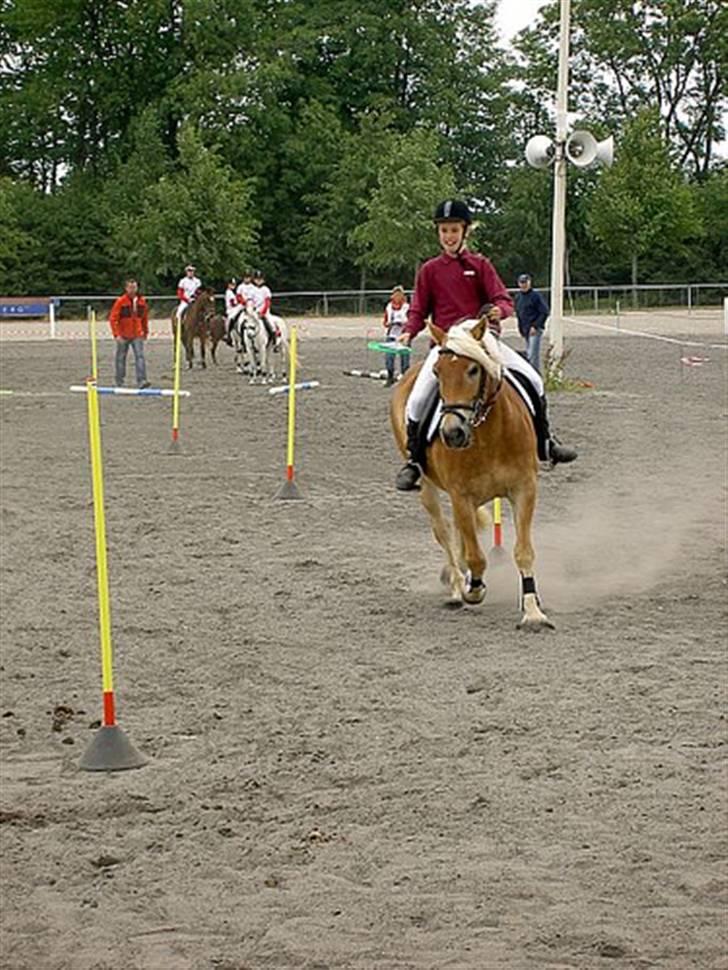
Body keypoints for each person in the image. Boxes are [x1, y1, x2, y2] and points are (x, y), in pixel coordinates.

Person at [395, 199, 577, 492]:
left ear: (464, 231)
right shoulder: (429, 270)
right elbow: (418, 309)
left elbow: (503, 299)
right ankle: (415, 460)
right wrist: (408, 331)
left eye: (454, 229)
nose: (449, 236)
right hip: (448, 347)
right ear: (438, 233)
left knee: (533, 379)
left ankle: (545, 442)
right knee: (416, 399)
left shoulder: (480, 265)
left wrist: (499, 312)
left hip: (481, 343)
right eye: (444, 230)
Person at [109, 278, 150, 389]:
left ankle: (142, 380)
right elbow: (113, 318)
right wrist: (116, 334)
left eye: (134, 287)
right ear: (126, 288)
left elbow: (144, 318)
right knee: (121, 358)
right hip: (123, 335)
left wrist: (145, 331)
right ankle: (119, 381)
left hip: (137, 334)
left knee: (140, 357)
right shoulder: (120, 301)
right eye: (130, 287)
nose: (133, 289)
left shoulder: (142, 301)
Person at [515, 273, 549, 374]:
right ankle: (532, 374)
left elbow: (544, 311)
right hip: (525, 329)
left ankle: (535, 376)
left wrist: (535, 326)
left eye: (525, 282)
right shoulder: (518, 297)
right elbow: (519, 314)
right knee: (529, 353)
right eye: (521, 282)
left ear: (529, 282)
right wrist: (520, 328)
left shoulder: (536, 296)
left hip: (535, 329)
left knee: (532, 356)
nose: (523, 285)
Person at [382, 285, 411, 387]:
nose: (397, 296)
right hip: (391, 335)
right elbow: (385, 322)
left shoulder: (407, 307)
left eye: (399, 294)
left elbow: (411, 321)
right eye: (395, 294)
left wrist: (403, 324)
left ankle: (405, 380)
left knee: (405, 360)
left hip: (403, 336)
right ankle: (390, 377)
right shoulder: (389, 307)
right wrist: (389, 323)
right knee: (389, 358)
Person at [251, 269, 279, 346]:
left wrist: (263, 312)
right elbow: (250, 301)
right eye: (257, 279)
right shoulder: (252, 290)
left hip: (264, 311)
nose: (258, 281)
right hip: (255, 311)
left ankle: (274, 338)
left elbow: (267, 302)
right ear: (254, 280)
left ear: (263, 280)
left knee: (271, 323)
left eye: (260, 279)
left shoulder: (266, 290)